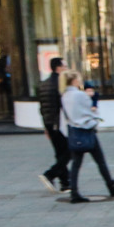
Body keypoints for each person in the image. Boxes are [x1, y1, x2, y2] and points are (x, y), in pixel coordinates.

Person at [61, 71, 114, 204]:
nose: (80, 81)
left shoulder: (65, 95)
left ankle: (74, 192)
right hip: (87, 130)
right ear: (74, 80)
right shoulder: (80, 95)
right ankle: (111, 187)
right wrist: (95, 121)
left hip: (74, 131)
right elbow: (91, 110)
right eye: (78, 79)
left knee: (76, 164)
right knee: (100, 161)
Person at [37, 57, 71, 193]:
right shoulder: (61, 84)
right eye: (65, 66)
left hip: (50, 123)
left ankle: (65, 183)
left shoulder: (43, 84)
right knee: (69, 152)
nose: (67, 69)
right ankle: (50, 174)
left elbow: (42, 108)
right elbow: (64, 106)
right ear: (59, 68)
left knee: (60, 153)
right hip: (60, 124)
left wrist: (46, 126)